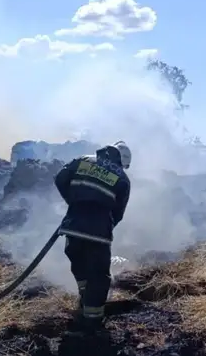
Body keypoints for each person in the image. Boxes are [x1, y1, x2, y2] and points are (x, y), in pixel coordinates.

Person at [54, 141, 132, 329]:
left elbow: (60, 179)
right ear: (122, 161)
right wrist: (106, 224)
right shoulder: (122, 177)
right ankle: (92, 322)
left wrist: (74, 202)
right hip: (98, 234)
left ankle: (84, 300)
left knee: (80, 267)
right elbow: (118, 212)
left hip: (72, 227)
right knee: (98, 277)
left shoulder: (82, 160)